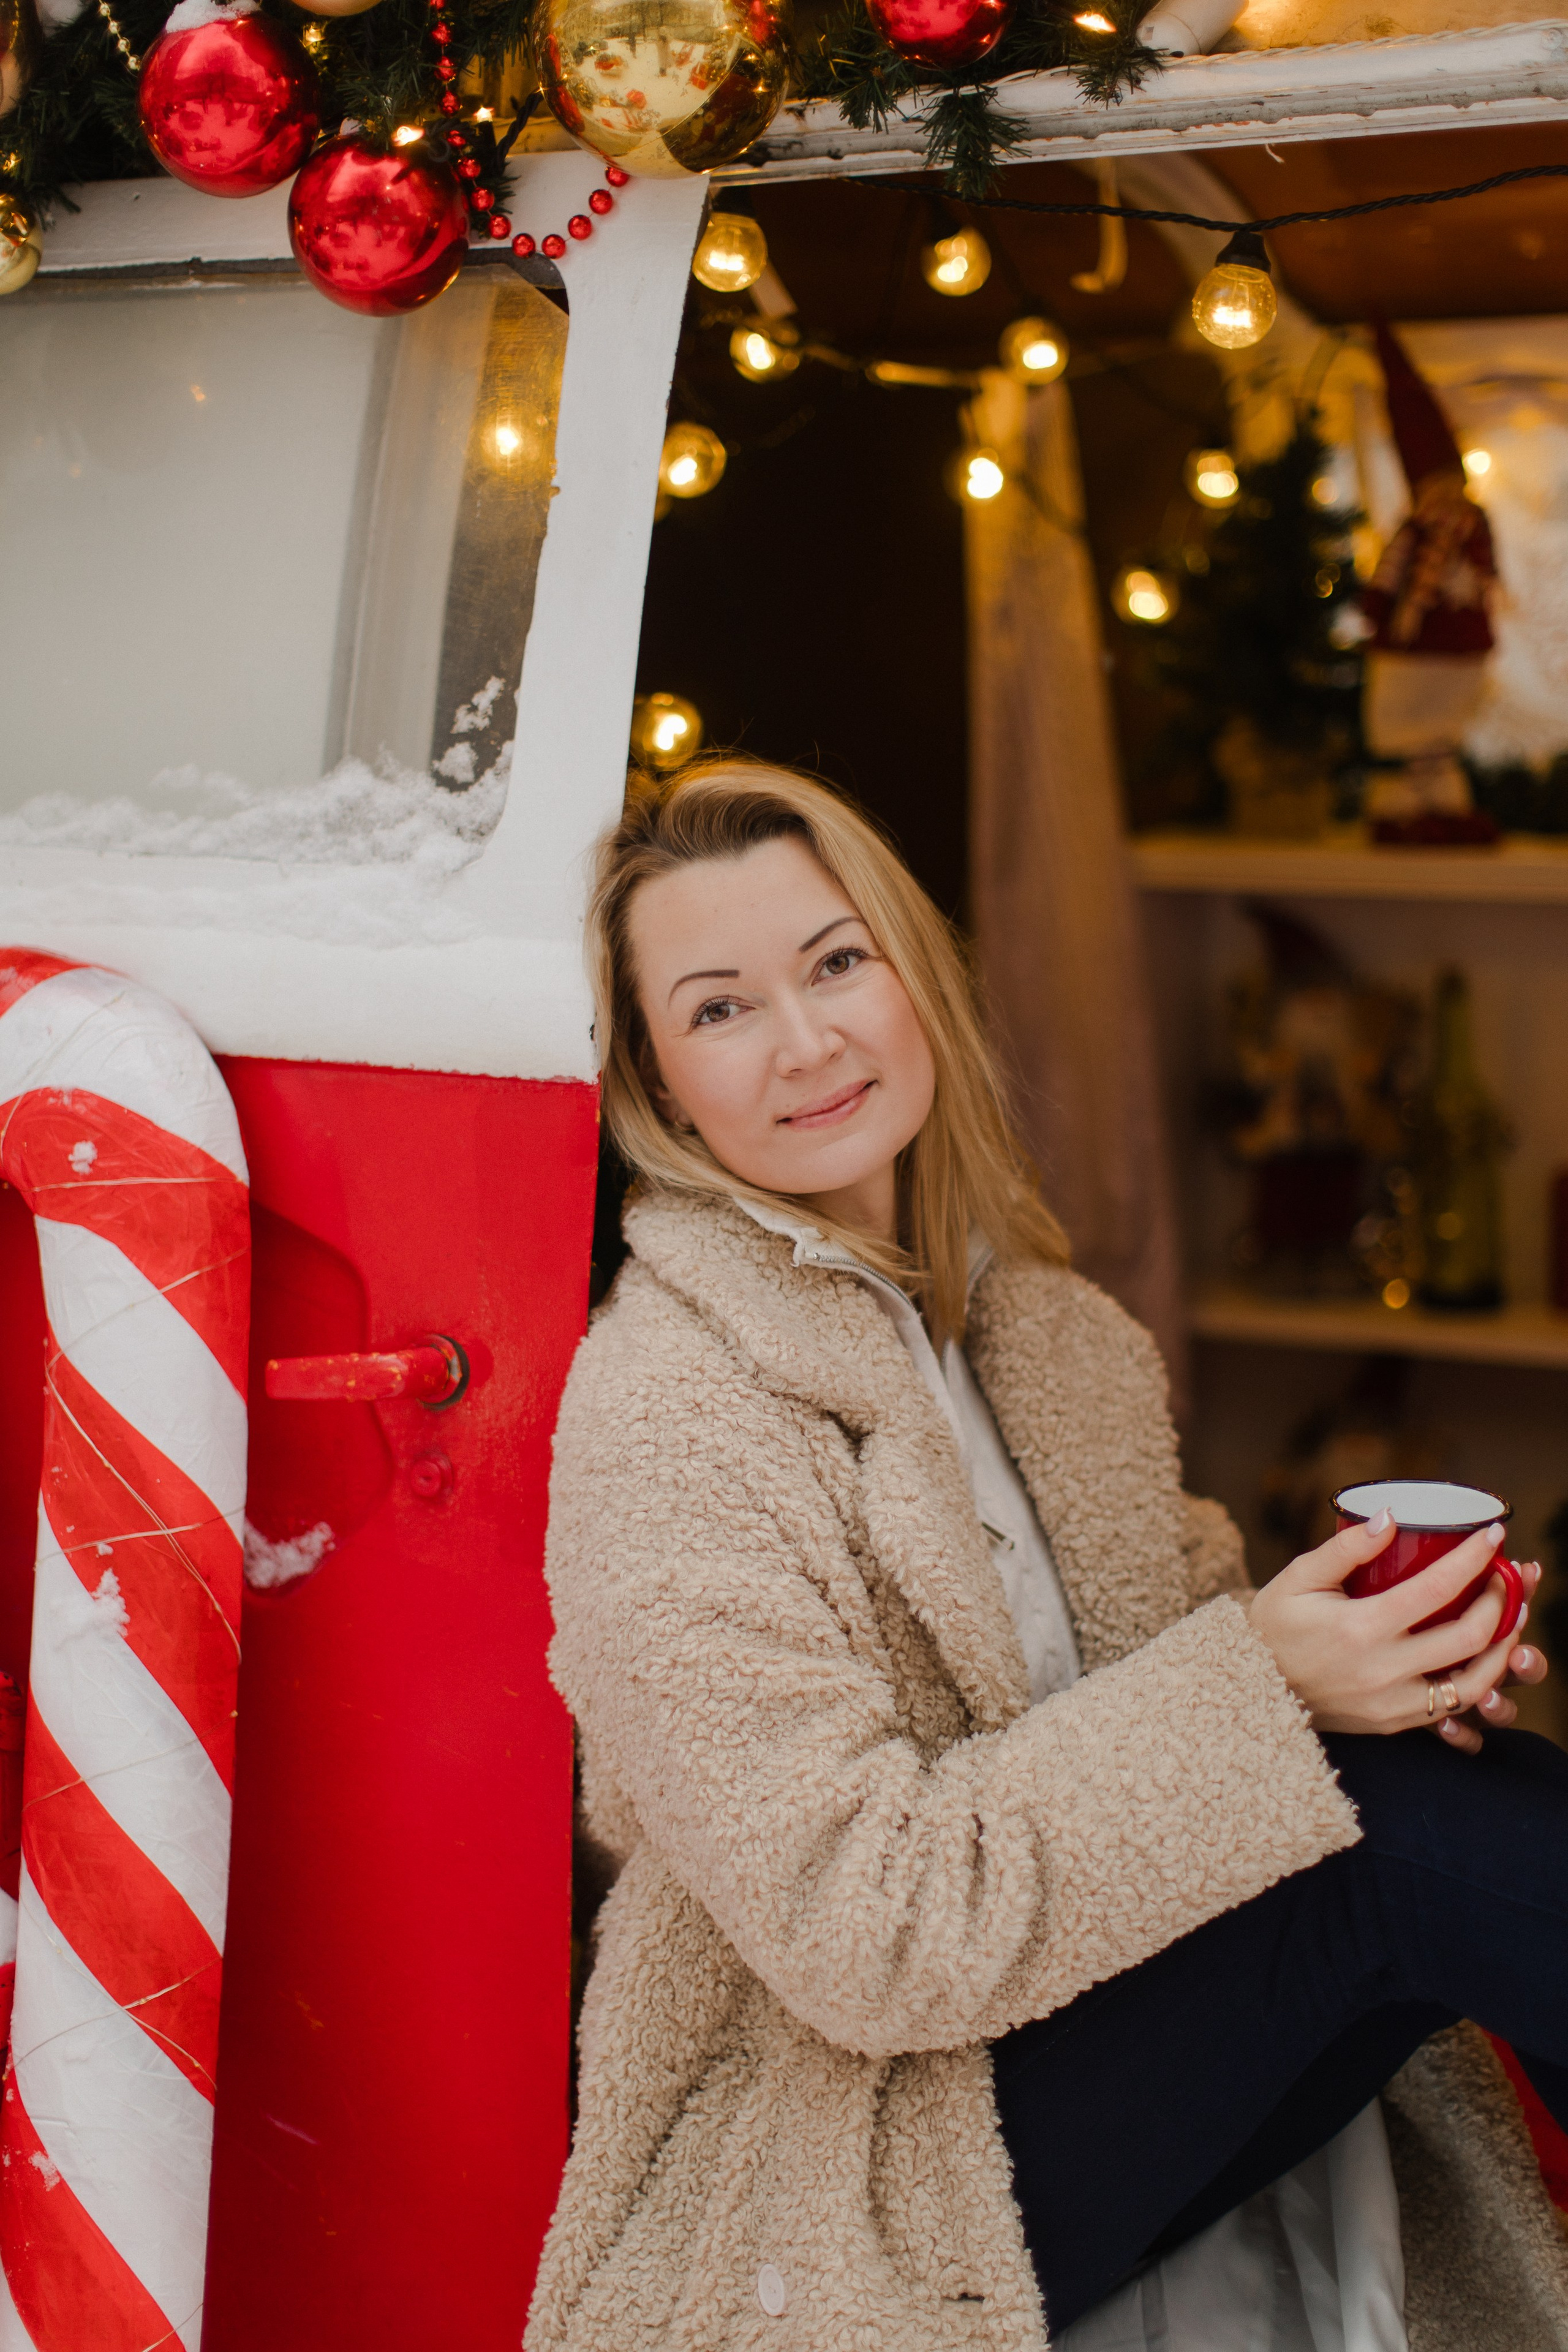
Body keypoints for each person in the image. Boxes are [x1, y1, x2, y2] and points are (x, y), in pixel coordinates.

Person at [527, 757, 1568, 2352]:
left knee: (1467, 1796)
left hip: (1095, 2028)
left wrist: (1384, 1674)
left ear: (913, 976)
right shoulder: (667, 1420)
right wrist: (1268, 1688)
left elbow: (1192, 1719)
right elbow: (870, 1932)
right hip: (863, 2145)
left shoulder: (1049, 1341)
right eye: (723, 1009)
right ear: (663, 1087)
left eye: (835, 963)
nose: (806, 1041)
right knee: (1402, 1850)